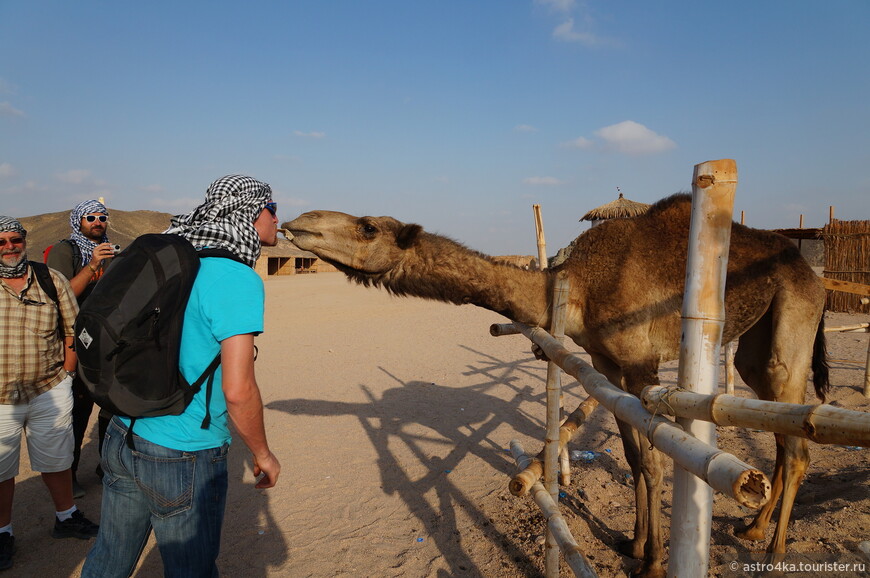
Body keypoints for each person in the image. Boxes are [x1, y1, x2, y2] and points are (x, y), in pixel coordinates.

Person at [82, 175, 282, 577]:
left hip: (124, 431)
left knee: (108, 561)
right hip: (182, 450)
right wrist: (262, 453)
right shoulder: (236, 278)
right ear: (253, 212)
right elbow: (239, 389)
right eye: (274, 209)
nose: (278, 220)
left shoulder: (177, 258)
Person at [0, 217, 100, 572]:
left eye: (15, 239)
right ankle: (3, 532)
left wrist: (67, 376)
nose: (10, 246)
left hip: (48, 389)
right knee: (1, 469)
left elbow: (73, 330)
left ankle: (67, 516)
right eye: (2, 241)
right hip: (0, 399)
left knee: (58, 459)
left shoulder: (49, 278)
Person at [46, 200, 116, 498]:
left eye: (102, 217)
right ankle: (70, 473)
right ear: (79, 221)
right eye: (91, 217)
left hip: (107, 341)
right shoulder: (67, 251)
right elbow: (59, 295)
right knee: (76, 410)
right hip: (74, 342)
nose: (98, 221)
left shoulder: (112, 250)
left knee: (114, 407)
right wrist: (93, 265)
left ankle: (109, 467)